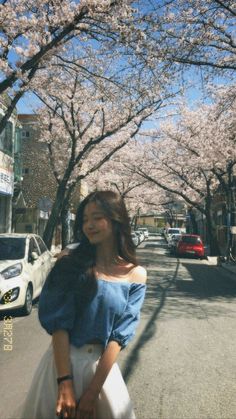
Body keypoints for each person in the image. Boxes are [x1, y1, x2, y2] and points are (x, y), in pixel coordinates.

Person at [19, 190, 147, 419]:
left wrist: (92, 393)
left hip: (101, 374)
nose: (90, 225)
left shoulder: (136, 275)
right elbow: (60, 324)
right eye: (85, 219)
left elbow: (119, 337)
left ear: (117, 219)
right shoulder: (70, 261)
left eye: (97, 217)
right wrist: (64, 383)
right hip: (60, 368)